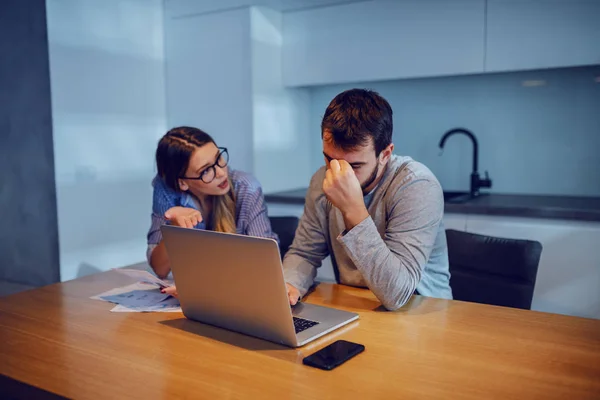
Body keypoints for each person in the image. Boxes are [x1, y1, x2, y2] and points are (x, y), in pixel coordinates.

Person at [283, 89, 452, 311]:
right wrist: (288, 285)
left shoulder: (417, 185)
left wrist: (353, 210)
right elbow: (305, 253)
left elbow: (398, 293)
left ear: (385, 154)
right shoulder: (320, 180)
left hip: (421, 312)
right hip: (359, 307)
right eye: (329, 158)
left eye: (354, 166)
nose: (338, 172)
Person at [146, 126, 278, 296]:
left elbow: (265, 263)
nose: (221, 173)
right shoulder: (166, 190)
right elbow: (160, 269)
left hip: (240, 293)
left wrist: (204, 288)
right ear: (183, 183)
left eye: (219, 158)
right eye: (206, 170)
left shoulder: (246, 187)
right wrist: (173, 229)